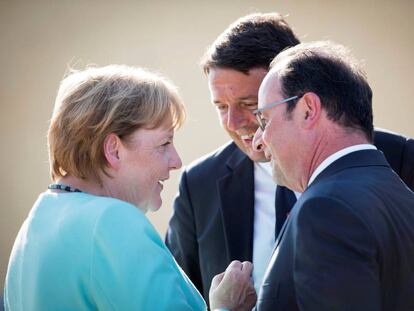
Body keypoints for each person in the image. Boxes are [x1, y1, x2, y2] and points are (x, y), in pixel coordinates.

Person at [165, 12, 414, 305]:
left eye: (253, 107)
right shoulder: (199, 185)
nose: (234, 122)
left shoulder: (395, 158)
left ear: (305, 101)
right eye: (220, 106)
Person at [3, 65, 256, 310]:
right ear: (114, 150)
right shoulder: (111, 220)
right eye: (165, 143)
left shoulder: (36, 223)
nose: (176, 161)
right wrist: (227, 308)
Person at [249, 41, 414, 310]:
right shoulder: (402, 196)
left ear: (308, 109)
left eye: (264, 121)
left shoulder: (326, 209)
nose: (258, 141)